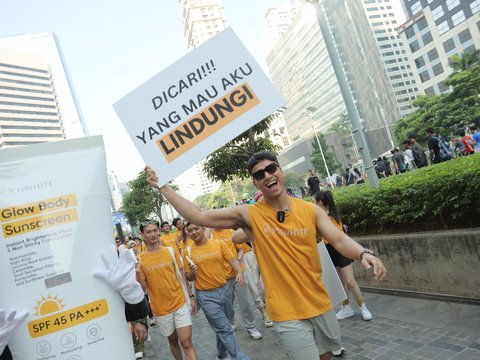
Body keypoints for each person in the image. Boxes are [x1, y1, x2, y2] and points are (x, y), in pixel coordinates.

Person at [146, 150, 386, 360]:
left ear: (280, 170)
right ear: (255, 183)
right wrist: (163, 186)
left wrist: (363, 252)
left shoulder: (310, 210)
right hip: (286, 311)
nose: (267, 176)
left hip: (320, 303)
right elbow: (199, 216)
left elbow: (339, 239)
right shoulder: (249, 214)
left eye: (271, 169)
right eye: (260, 174)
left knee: (325, 354)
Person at [184, 222, 250, 360]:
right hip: (206, 296)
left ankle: (221, 355)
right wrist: (192, 272)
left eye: (196, 228)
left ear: (203, 228)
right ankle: (240, 357)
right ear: (187, 233)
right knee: (225, 329)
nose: (194, 232)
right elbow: (188, 278)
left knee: (222, 326)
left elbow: (232, 260)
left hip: (224, 290)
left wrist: (239, 272)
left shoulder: (218, 243)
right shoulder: (187, 252)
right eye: (190, 230)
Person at [136, 220, 199, 360]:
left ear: (158, 231)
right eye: (148, 232)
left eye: (154, 230)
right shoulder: (140, 259)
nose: (153, 234)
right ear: (142, 234)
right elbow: (143, 289)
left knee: (187, 342)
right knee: (173, 341)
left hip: (180, 302)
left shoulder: (170, 251)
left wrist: (191, 297)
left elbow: (181, 276)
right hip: (161, 309)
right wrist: (137, 274)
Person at [312, 191, 372, 321]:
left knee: (350, 282)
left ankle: (363, 307)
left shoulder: (330, 217)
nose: (312, 204)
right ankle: (346, 308)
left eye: (314, 201)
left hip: (340, 250)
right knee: (340, 283)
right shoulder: (320, 217)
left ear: (320, 202)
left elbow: (338, 238)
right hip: (328, 251)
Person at [209, 228, 263, 340]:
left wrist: (237, 262)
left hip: (239, 273)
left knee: (246, 301)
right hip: (223, 276)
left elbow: (241, 249)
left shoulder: (230, 232)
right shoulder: (210, 236)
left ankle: (251, 327)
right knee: (227, 303)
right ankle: (231, 320)